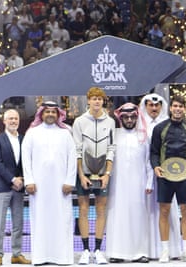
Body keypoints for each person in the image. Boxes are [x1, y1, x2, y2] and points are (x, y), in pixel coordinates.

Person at [22, 102, 77, 265]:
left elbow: (72, 159)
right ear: (41, 114)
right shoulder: (32, 133)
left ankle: (62, 257)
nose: (51, 114)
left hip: (61, 188)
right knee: (40, 219)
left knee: (62, 219)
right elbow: (26, 159)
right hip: (38, 188)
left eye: (54, 112)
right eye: (47, 112)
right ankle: (40, 257)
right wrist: (29, 181)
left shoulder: (66, 133)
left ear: (58, 114)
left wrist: (69, 181)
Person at [150, 95, 186, 263]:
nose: (178, 109)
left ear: (184, 109)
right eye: (175, 105)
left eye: (181, 106)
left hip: (185, 177)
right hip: (165, 176)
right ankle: (164, 251)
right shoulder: (160, 129)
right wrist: (155, 166)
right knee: (164, 211)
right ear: (170, 108)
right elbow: (154, 152)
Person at [72, 87, 116, 265]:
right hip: (84, 173)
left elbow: (111, 149)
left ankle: (98, 250)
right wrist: (81, 175)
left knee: (100, 210)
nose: (97, 101)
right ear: (88, 101)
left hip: (102, 174)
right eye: (94, 98)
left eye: (100, 99)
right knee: (83, 210)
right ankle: (85, 250)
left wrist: (107, 174)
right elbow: (77, 150)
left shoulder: (111, 122)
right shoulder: (79, 122)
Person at [105, 103, 152, 263]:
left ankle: (139, 253)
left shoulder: (143, 136)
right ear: (120, 118)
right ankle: (117, 252)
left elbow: (148, 163)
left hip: (139, 186)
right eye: (126, 117)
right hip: (116, 188)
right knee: (117, 217)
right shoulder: (114, 134)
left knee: (138, 217)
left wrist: (149, 183)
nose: (130, 120)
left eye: (133, 117)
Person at [139, 93, 182, 260]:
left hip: (168, 176)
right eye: (151, 105)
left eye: (157, 106)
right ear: (146, 106)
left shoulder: (169, 125)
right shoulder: (138, 124)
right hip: (145, 176)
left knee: (169, 212)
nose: (154, 108)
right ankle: (148, 251)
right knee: (147, 212)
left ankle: (172, 250)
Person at [0, 109, 31, 267]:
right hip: (2, 188)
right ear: (4, 121)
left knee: (18, 223)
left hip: (19, 188)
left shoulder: (24, 139)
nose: (13, 121)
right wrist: (13, 179)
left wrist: (22, 180)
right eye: (10, 119)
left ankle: (16, 254)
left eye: (16, 119)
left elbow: (27, 162)